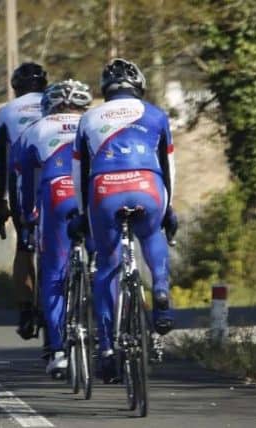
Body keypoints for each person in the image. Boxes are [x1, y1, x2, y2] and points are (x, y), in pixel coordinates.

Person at [70, 58, 179, 383]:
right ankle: (160, 291)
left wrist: (81, 213)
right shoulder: (156, 114)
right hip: (148, 185)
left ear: (106, 90)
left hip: (106, 190)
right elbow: (170, 166)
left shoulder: (89, 118)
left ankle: (106, 348)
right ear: (139, 87)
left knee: (107, 266)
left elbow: (80, 174)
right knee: (151, 234)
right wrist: (168, 207)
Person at [15, 80, 93, 377]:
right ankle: (113, 343)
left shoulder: (35, 129)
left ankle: (59, 350)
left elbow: (24, 182)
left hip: (56, 195)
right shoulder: (92, 122)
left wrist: (26, 218)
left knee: (53, 273)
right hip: (91, 195)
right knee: (108, 265)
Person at [0, 62, 48, 340]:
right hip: (57, 180)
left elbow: (1, 162)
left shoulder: (6, 112)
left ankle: (26, 312)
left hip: (20, 184)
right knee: (57, 245)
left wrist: (1, 201)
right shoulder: (55, 102)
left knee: (24, 250)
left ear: (15, 89)